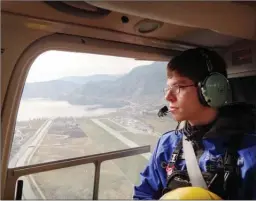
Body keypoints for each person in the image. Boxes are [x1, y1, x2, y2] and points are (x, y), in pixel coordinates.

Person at [133, 48, 256, 200]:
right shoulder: (167, 144)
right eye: (168, 87)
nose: (168, 96)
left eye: (178, 87)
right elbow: (144, 194)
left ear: (211, 89)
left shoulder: (250, 151)